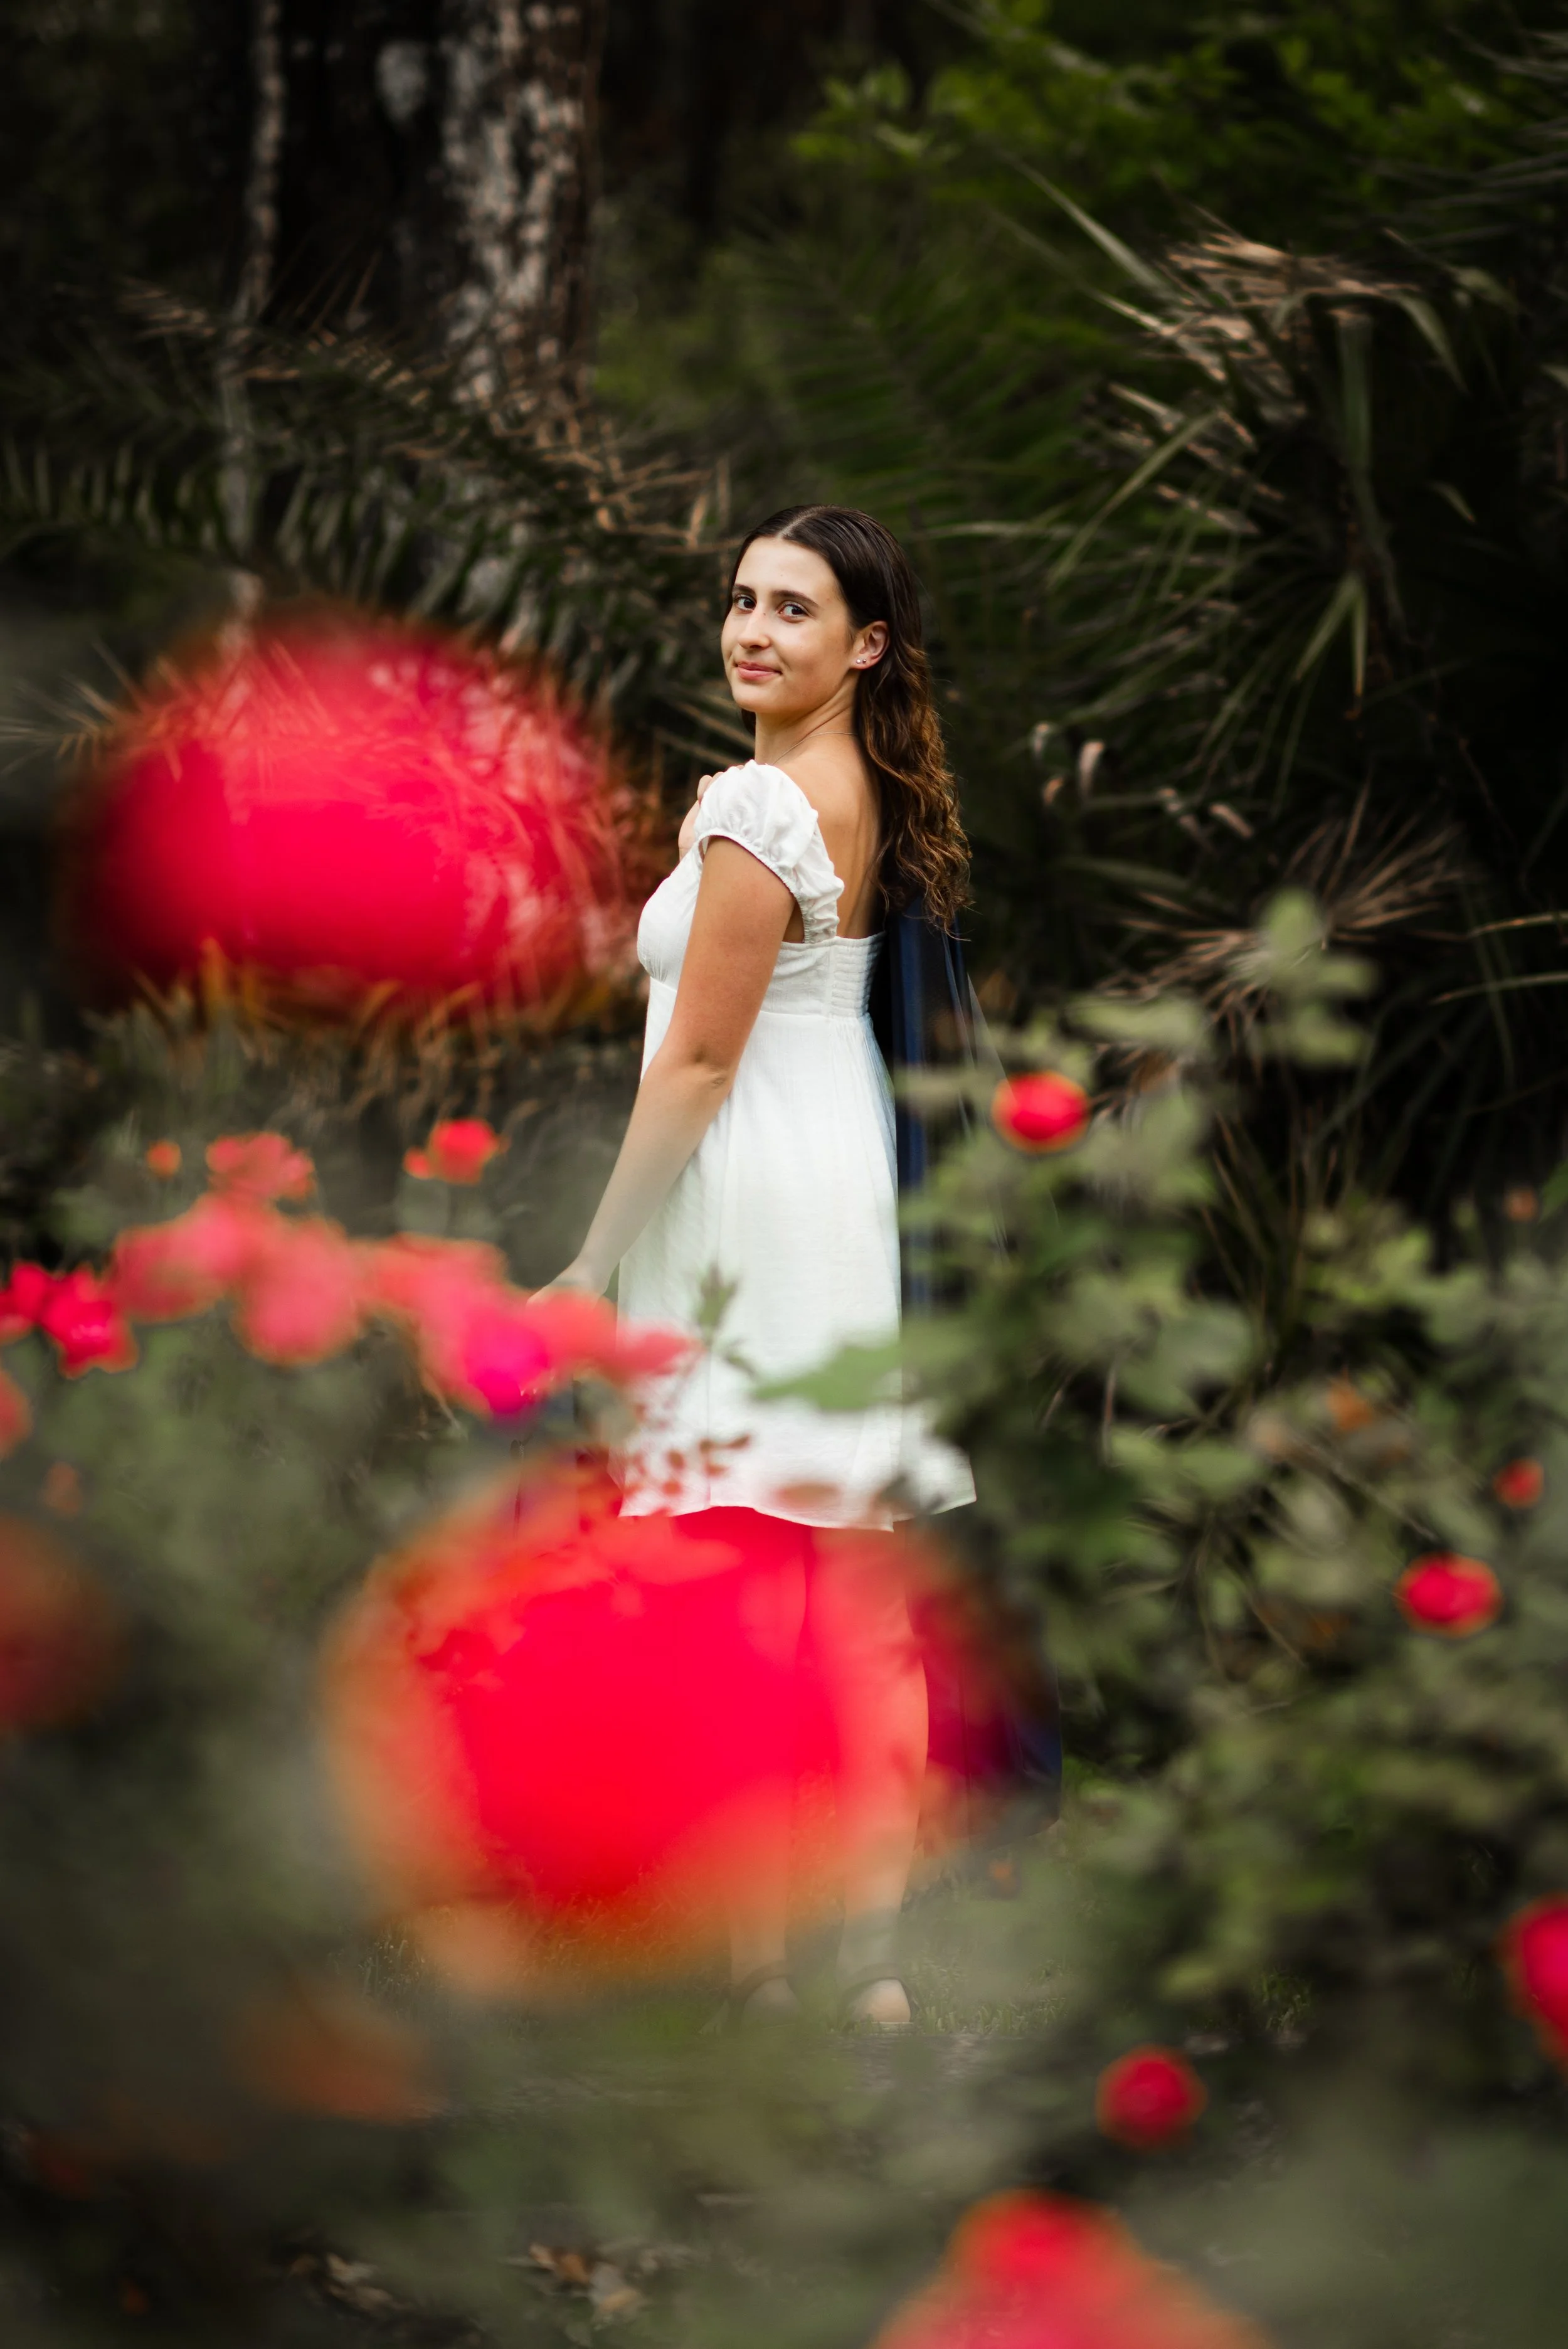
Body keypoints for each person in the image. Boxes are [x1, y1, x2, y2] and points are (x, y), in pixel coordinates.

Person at [549, 504, 973, 2027]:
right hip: (843, 1183)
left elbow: (697, 1065)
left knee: (737, 1578)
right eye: (740, 600)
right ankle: (861, 1972)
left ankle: (747, 1972)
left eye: (792, 610)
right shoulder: (864, 790)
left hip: (747, 1202)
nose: (750, 630)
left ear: (862, 644)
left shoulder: (755, 805)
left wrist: (590, 1259)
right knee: (856, 1587)